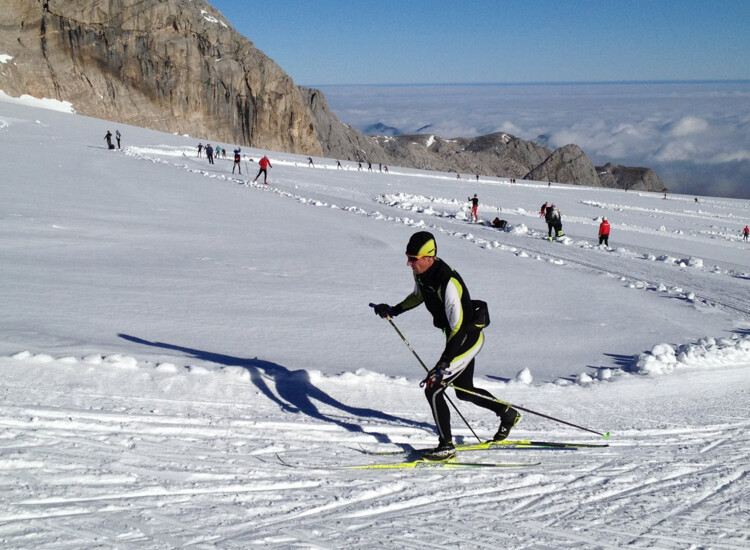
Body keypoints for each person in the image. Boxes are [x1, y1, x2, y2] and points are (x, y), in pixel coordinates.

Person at [373, 231, 521, 460]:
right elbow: (418, 296)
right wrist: (393, 310)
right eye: (408, 257)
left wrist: (444, 362)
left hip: (465, 339)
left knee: (434, 388)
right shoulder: (422, 274)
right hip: (455, 338)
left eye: (413, 258)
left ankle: (446, 446)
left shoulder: (447, 281)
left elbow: (458, 328)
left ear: (429, 257)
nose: (408, 263)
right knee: (465, 392)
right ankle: (507, 412)